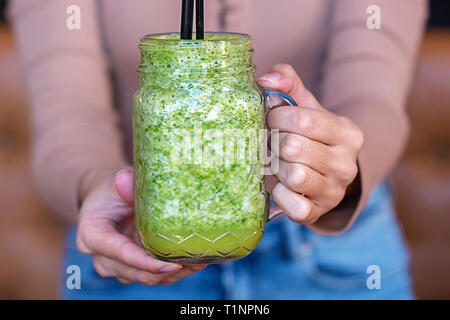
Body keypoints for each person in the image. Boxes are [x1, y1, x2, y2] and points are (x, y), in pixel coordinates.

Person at [9, 0, 427, 299]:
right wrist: (97, 185)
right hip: (133, 239)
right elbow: (68, 112)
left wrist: (337, 161)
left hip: (337, 259)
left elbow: (373, 99)